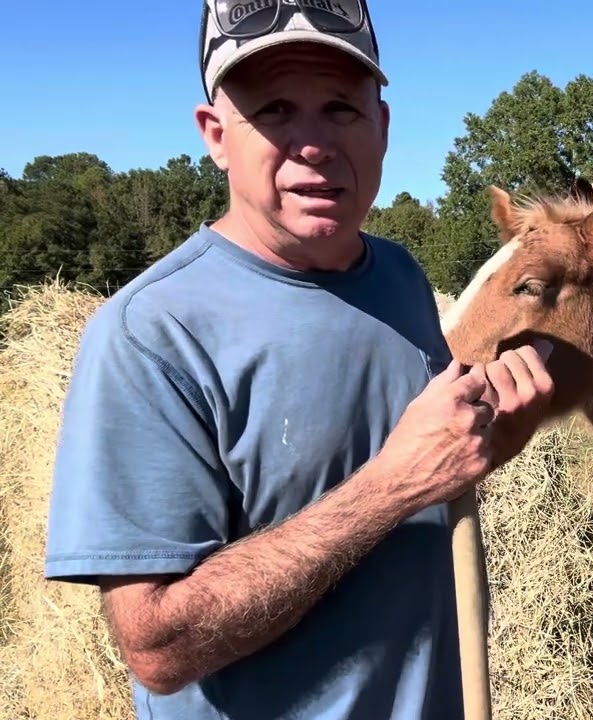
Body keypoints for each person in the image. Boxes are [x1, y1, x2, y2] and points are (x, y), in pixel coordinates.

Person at [42, 1, 554, 718]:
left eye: (341, 108)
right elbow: (159, 647)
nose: (313, 145)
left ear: (382, 125)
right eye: (275, 110)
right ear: (216, 136)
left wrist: (495, 437)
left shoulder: (400, 278)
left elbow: (424, 476)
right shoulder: (151, 334)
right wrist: (394, 484)